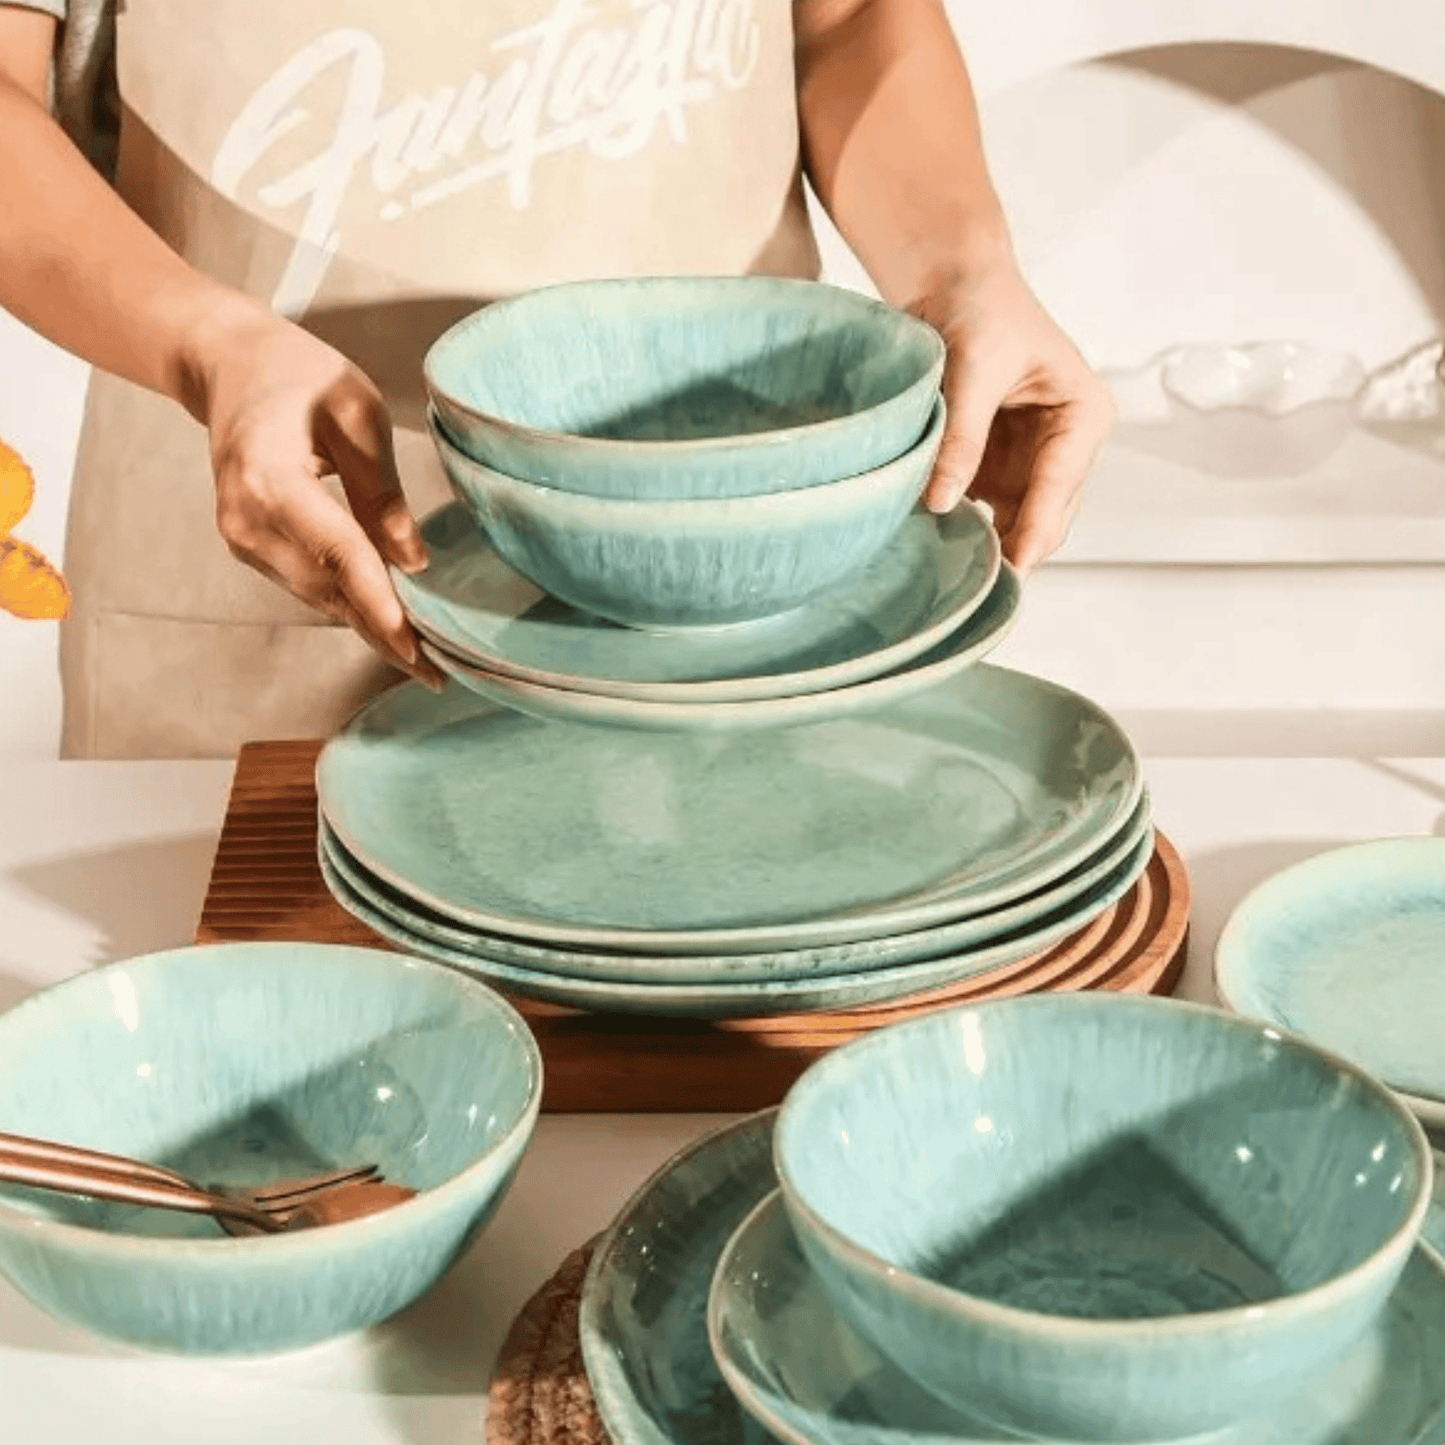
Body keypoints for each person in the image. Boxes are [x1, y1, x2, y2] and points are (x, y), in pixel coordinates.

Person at [0, 0, 1113, 759]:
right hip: (266, 546)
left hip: (719, 548)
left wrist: (962, 268)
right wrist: (208, 344)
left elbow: (851, 17)